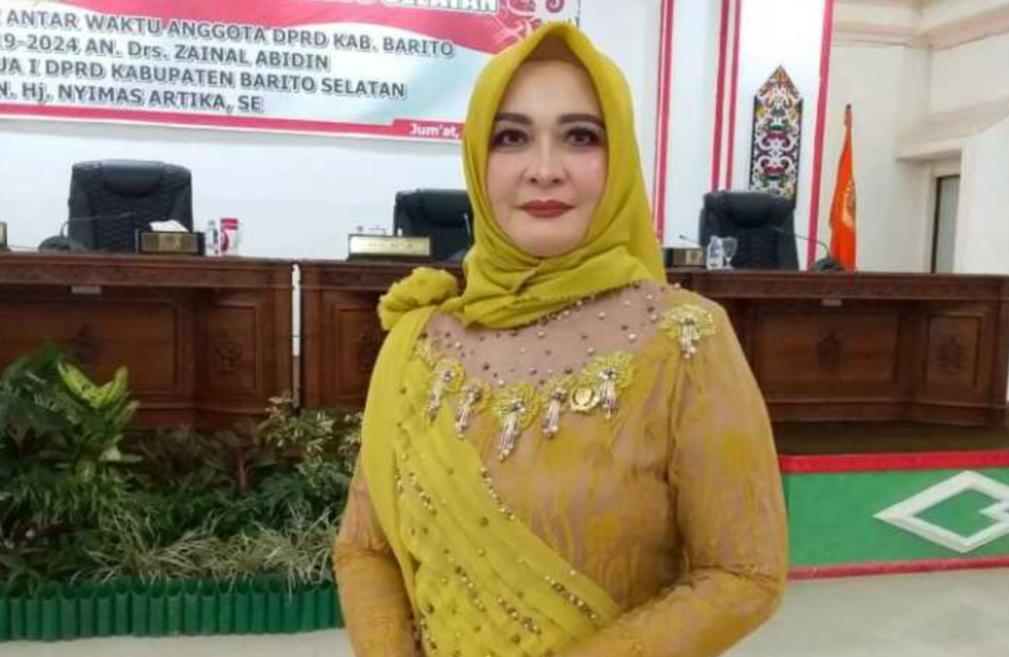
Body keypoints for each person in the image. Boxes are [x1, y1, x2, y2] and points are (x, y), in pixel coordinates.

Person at [333, 21, 787, 657]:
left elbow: (743, 574)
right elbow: (365, 547)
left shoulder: (686, 340)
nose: (544, 170)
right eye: (511, 137)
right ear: (477, 160)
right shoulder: (419, 340)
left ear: (619, 159)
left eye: (580, 137)